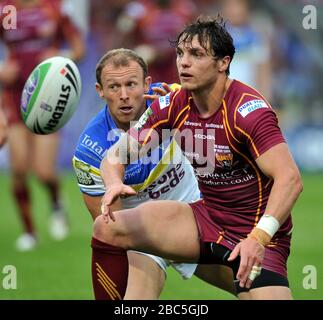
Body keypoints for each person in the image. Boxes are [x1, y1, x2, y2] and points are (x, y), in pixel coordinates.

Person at [96, 16, 303, 300]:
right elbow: (115, 155)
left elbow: (290, 179)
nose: (183, 62)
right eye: (181, 53)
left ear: (223, 63)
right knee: (107, 227)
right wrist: (113, 182)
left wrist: (259, 238)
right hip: (204, 219)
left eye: (196, 54)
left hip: (257, 236)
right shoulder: (174, 103)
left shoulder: (248, 111)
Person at [73, 48, 235, 299]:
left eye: (131, 84)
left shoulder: (172, 98)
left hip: (194, 214)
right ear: (100, 91)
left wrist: (190, 107)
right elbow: (112, 229)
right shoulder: (89, 152)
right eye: (114, 87)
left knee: (250, 285)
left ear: (147, 83)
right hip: (144, 235)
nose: (124, 95)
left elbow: (223, 113)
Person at [0, 0, 85, 251]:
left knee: (44, 172)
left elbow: (79, 49)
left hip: (47, 100)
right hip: (14, 98)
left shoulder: (56, 8)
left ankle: (57, 200)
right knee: (18, 169)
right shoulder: (5, 10)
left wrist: (63, 56)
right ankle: (29, 231)